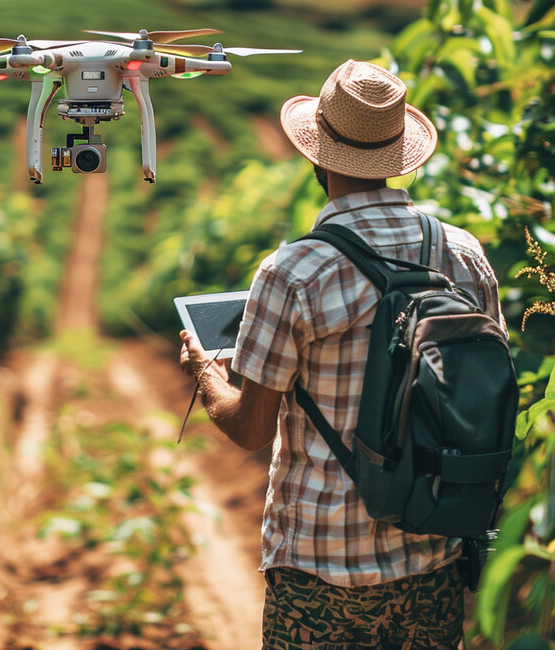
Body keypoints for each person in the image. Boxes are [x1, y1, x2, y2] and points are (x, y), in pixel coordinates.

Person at [179, 59, 505, 650]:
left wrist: (208, 374)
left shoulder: (293, 272)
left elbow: (251, 429)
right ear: (400, 153)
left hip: (322, 567)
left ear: (318, 156)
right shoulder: (462, 253)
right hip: (435, 549)